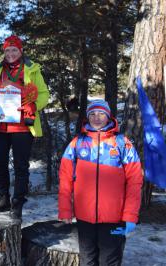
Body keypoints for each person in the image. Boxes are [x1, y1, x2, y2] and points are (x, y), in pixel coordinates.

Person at [58, 99, 143, 266]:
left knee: (109, 261)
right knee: (87, 261)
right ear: (87, 117)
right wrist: (65, 209)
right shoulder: (78, 143)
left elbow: (135, 181)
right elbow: (65, 178)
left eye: (101, 113)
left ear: (108, 116)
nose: (97, 118)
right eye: (93, 114)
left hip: (113, 218)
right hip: (85, 218)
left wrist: (130, 215)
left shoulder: (122, 143)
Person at [0, 35, 49, 219]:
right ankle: (3, 198)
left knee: (21, 166)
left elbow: (43, 94)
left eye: (14, 50)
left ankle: (17, 203)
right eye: (7, 50)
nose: (10, 54)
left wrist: (33, 105)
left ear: (21, 51)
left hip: (23, 127)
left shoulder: (32, 69)